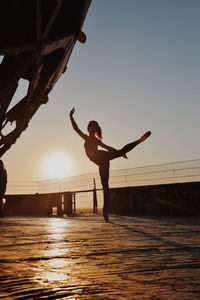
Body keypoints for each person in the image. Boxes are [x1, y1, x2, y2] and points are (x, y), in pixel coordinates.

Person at [69, 108, 151, 222]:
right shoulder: (86, 137)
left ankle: (139, 140)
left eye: (92, 126)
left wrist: (119, 153)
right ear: (88, 129)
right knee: (105, 186)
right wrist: (71, 116)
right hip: (101, 161)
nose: (90, 127)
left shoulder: (96, 141)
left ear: (95, 128)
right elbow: (75, 129)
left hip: (102, 158)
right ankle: (105, 210)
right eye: (89, 126)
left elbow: (108, 148)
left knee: (107, 184)